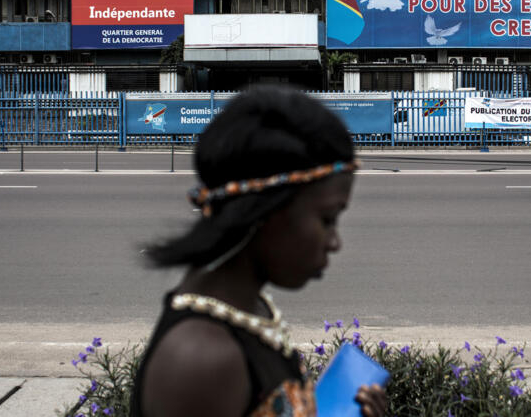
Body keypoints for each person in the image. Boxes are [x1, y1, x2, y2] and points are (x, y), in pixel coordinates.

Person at [131, 85, 386, 417]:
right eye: (327, 218)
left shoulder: (247, 308)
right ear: (265, 213)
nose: (335, 241)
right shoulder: (201, 359)